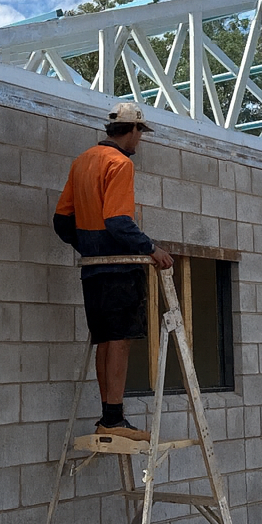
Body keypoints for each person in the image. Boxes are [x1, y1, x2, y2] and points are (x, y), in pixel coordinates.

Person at [52, 102, 173, 441]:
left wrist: (91, 248)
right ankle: (115, 419)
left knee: (105, 340)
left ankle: (109, 416)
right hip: (119, 268)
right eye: (140, 134)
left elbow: (62, 222)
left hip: (93, 270)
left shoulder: (82, 162)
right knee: (118, 341)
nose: (140, 141)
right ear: (132, 130)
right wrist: (152, 249)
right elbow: (118, 221)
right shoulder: (119, 163)